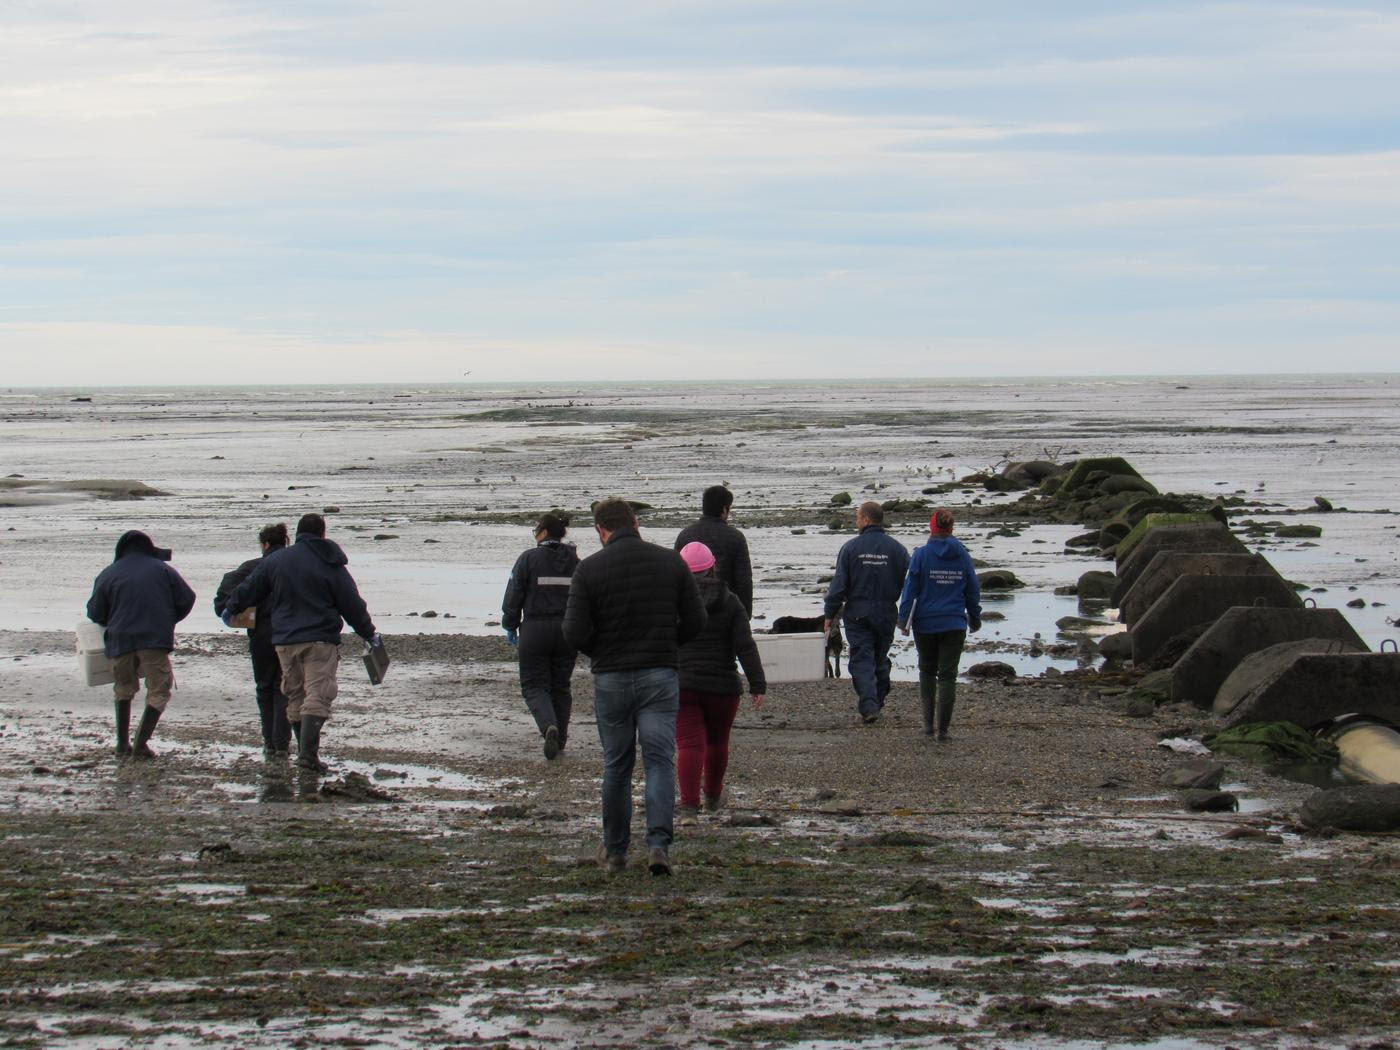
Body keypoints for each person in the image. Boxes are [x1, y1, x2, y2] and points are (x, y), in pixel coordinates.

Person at [562, 498, 706, 877]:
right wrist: (668, 643)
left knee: (617, 764)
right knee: (659, 760)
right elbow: (696, 619)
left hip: (611, 676)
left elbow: (573, 632)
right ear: (636, 522)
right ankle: (658, 845)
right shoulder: (670, 562)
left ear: (600, 529)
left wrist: (601, 650)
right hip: (659, 672)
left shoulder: (589, 569)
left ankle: (615, 850)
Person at [222, 512, 379, 774]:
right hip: (319, 639)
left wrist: (231, 608)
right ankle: (307, 756)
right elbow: (350, 602)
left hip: (285, 641)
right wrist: (368, 633)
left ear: (296, 534)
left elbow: (251, 588)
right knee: (318, 694)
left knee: (294, 694)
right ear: (322, 534)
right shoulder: (330, 563)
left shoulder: (278, 561)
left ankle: (305, 754)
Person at [85, 530, 196, 758]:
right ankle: (140, 744)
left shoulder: (108, 573)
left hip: (120, 639)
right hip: (154, 639)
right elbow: (187, 598)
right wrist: (168, 620)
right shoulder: (163, 569)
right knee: (159, 690)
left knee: (123, 689)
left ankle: (122, 744)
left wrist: (111, 622)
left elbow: (95, 612)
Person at [675, 541, 766, 820]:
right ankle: (713, 796)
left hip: (682, 685)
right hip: (723, 687)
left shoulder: (671, 601)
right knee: (717, 742)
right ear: (713, 567)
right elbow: (745, 646)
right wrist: (757, 684)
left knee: (689, 745)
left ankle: (689, 805)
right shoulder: (730, 601)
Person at [501, 512, 580, 760]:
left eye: (536, 530)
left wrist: (510, 624)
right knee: (560, 685)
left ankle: (548, 726)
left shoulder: (528, 558)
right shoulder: (575, 561)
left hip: (535, 629)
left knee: (534, 684)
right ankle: (561, 738)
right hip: (567, 630)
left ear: (544, 532)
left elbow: (514, 593)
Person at [898, 509, 982, 741]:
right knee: (947, 676)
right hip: (954, 623)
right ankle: (943, 731)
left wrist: (903, 620)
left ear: (932, 528)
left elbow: (910, 590)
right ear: (951, 529)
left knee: (927, 670)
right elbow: (972, 590)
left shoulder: (921, 555)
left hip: (925, 623)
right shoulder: (963, 555)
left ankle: (928, 727)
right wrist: (975, 618)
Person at [823, 501, 909, 725]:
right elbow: (908, 584)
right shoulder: (898, 549)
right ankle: (876, 699)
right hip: (886, 611)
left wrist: (829, 613)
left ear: (867, 520)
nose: (856, 522)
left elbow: (839, 584)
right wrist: (906, 613)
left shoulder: (851, 548)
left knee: (862, 658)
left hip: (859, 611)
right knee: (879, 657)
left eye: (857, 518)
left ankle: (870, 704)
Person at [213, 523, 292, 758]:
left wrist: (229, 611)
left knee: (265, 687)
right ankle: (281, 744)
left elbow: (226, 593)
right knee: (285, 688)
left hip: (261, 635)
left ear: (264, 544)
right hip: (290, 633)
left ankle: (270, 742)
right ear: (285, 542)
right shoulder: (293, 566)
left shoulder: (253, 567)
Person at [674, 484, 754, 616]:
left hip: (691, 608)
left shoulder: (684, 535)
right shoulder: (736, 537)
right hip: (726, 609)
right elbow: (743, 580)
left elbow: (677, 576)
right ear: (724, 509)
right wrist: (745, 614)